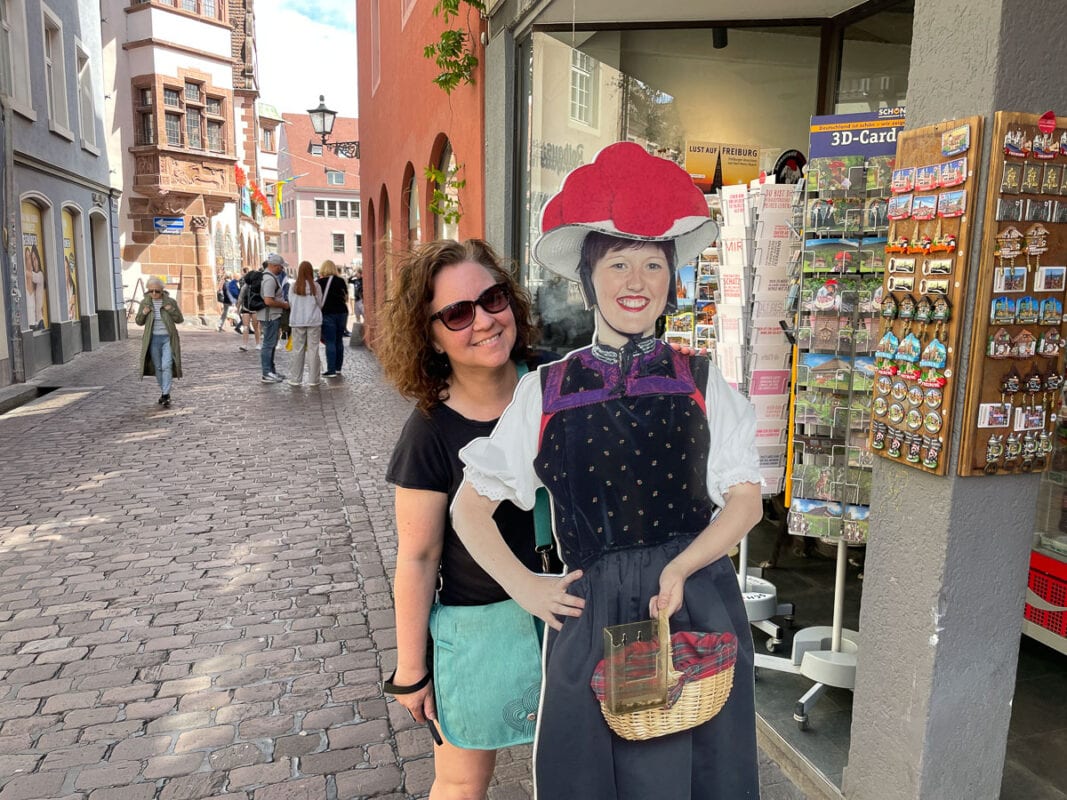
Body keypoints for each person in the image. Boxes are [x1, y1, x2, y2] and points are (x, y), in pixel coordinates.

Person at [452, 142, 763, 800]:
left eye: (653, 264)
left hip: (696, 601)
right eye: (618, 262)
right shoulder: (547, 390)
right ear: (589, 277)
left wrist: (681, 567)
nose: (636, 280)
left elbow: (744, 502)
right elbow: (468, 506)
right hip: (591, 615)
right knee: (589, 776)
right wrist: (524, 587)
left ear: (670, 278)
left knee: (704, 770)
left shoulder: (704, 382)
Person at [378, 239, 560, 800]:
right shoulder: (430, 432)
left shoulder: (559, 387)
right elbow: (418, 555)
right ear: (430, 335)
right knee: (460, 783)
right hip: (478, 628)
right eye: (457, 313)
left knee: (582, 768)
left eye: (493, 299)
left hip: (570, 615)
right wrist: (412, 669)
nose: (483, 320)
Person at [135, 276, 183, 408]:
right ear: (148, 291)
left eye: (157, 291)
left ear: (162, 291)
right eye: (151, 291)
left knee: (167, 364)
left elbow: (180, 319)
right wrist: (144, 313)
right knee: (158, 367)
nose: (154, 294)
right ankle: (164, 391)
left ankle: (166, 394)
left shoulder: (170, 302)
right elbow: (139, 322)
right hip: (153, 339)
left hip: (168, 338)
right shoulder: (145, 303)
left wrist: (171, 310)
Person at [286, 260, 323, 387]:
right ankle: (313, 379)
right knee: (313, 350)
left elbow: (290, 303)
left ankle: (296, 379)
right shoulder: (316, 286)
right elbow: (320, 303)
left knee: (298, 350)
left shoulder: (294, 286)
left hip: (297, 320)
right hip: (313, 320)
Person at [258, 254, 290, 383]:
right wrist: (284, 305)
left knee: (271, 344)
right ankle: (267, 373)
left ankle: (271, 371)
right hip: (270, 315)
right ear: (274, 266)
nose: (282, 269)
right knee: (268, 344)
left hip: (271, 315)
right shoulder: (270, 279)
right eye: (281, 267)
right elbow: (268, 301)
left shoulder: (269, 277)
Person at [317, 259, 349, 378]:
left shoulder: (319, 282)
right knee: (339, 340)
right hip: (342, 312)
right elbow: (346, 297)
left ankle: (330, 370)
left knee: (330, 341)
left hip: (328, 313)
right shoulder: (341, 281)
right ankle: (338, 368)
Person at [237, 267, 261, 351]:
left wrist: (237, 308)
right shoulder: (246, 286)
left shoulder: (255, 286)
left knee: (254, 327)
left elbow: (240, 298)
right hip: (248, 308)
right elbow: (240, 297)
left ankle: (257, 343)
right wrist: (238, 307)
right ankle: (244, 344)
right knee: (246, 327)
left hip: (252, 308)